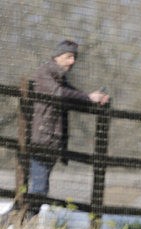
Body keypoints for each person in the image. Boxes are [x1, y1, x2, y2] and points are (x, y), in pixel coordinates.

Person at [27, 39, 109, 216]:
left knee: (39, 190)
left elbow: (76, 97)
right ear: (57, 57)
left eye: (74, 58)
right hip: (40, 141)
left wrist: (96, 100)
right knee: (39, 191)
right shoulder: (45, 73)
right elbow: (59, 93)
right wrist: (89, 97)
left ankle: (16, 224)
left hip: (51, 143)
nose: (72, 62)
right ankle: (17, 224)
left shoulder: (60, 79)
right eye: (69, 57)